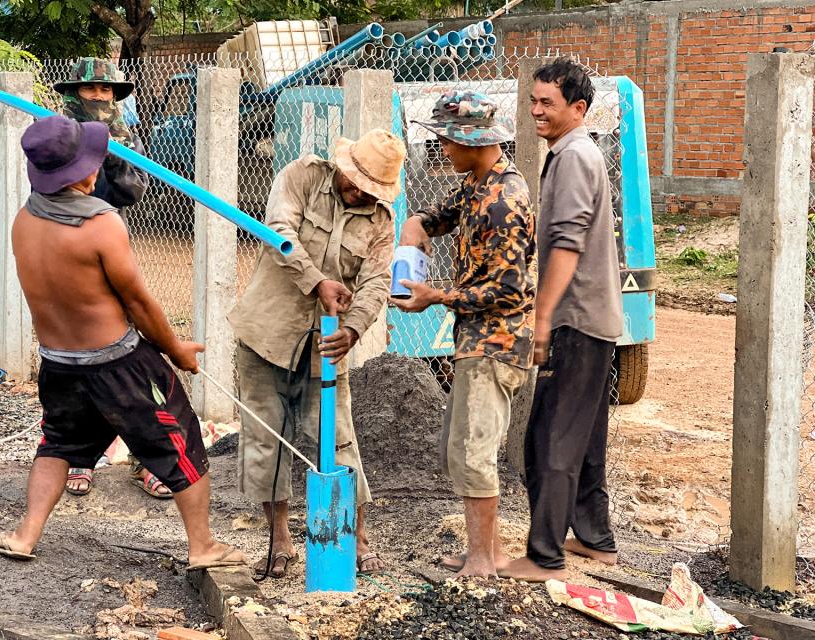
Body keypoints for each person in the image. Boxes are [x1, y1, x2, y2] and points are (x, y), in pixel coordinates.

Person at [0, 115, 245, 572]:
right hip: (119, 364)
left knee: (58, 445)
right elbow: (139, 304)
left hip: (58, 363)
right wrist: (176, 350)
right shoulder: (101, 225)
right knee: (180, 445)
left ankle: (26, 535)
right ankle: (202, 545)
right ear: (85, 173)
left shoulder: (23, 221)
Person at [228, 129, 405, 578]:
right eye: (354, 180)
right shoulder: (303, 177)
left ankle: (355, 539)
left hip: (326, 348)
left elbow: (376, 283)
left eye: (367, 189)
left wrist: (352, 328)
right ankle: (280, 541)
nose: (356, 190)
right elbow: (278, 230)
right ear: (344, 167)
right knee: (266, 441)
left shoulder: (381, 222)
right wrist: (317, 280)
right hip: (266, 335)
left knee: (340, 442)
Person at [393, 91, 536, 579]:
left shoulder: (503, 202)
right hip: (474, 340)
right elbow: (437, 215)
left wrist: (437, 296)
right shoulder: (478, 183)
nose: (442, 152)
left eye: (446, 143)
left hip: (496, 342)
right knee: (460, 447)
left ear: (469, 142)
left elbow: (507, 289)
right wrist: (415, 226)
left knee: (475, 450)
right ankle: (489, 551)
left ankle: (483, 559)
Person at [501, 58, 623, 582]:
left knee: (549, 438)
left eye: (547, 103)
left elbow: (567, 244)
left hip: (576, 318)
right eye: (533, 101)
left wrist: (543, 318)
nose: (535, 111)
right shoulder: (574, 152)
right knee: (586, 436)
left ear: (579, 108)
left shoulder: (573, 157)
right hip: (596, 318)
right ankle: (596, 541)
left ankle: (544, 555)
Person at [53, 57, 156, 498]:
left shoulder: (123, 138)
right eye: (91, 89)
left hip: (110, 254)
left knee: (129, 359)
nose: (99, 96)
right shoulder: (56, 133)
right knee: (74, 361)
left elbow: (133, 192)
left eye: (107, 91)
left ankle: (145, 457)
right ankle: (80, 457)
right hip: (65, 259)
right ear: (74, 93)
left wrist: (110, 155)